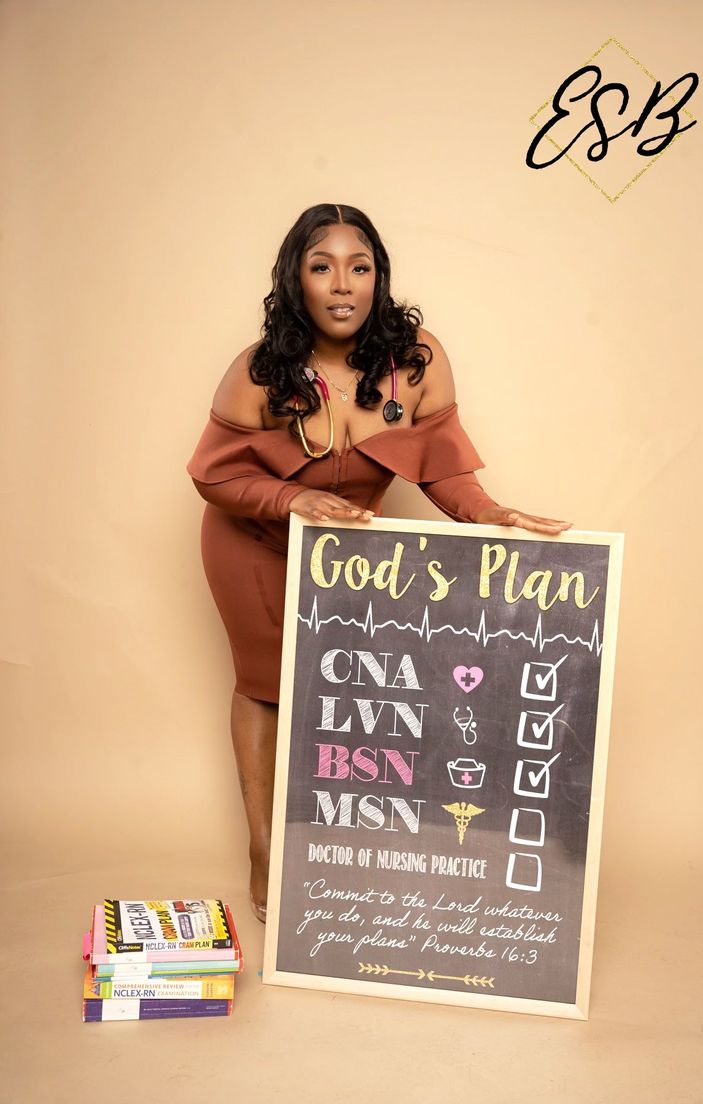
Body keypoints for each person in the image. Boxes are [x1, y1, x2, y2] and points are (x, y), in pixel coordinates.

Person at [187, 203, 570, 922]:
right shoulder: (261, 368)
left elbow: (443, 471)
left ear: (378, 278)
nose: (342, 285)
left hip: (353, 556)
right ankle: (266, 847)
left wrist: (490, 512)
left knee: (356, 692)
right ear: (295, 279)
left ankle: (339, 851)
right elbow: (211, 475)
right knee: (268, 684)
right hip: (255, 542)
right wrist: (288, 500)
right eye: (321, 266)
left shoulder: (416, 360)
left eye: (358, 268)